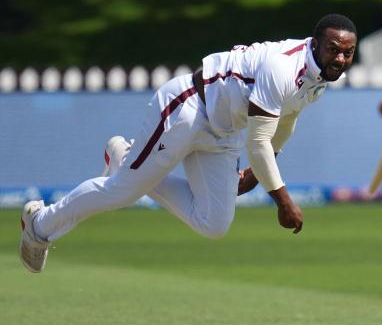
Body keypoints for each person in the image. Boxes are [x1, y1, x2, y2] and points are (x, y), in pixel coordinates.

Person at [19, 14, 358, 273]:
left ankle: (125, 157)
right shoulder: (282, 67)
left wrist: (255, 175)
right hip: (188, 107)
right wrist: (282, 200)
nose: (340, 59)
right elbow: (258, 142)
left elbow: (287, 120)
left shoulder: (320, 76)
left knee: (214, 224)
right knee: (123, 191)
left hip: (223, 131)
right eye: (333, 50)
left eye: (348, 53)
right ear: (315, 44)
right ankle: (39, 225)